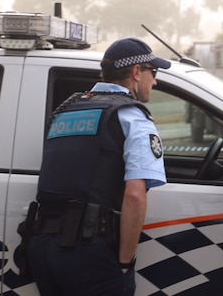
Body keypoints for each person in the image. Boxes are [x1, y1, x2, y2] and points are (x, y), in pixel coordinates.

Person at [25, 38, 170, 296]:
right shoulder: (132, 116)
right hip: (91, 252)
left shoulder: (66, 110)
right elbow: (135, 195)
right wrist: (125, 264)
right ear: (137, 72)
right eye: (153, 72)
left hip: (42, 248)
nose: (155, 81)